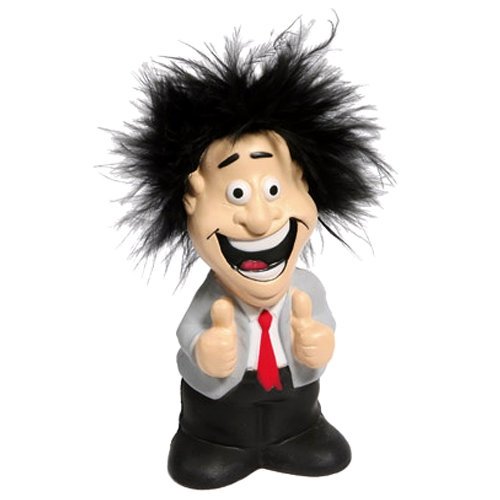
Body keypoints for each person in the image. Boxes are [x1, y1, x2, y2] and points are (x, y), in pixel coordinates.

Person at [112, 22, 390, 489]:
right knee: (203, 458)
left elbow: (323, 325)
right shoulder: (213, 296)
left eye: (275, 190)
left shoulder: (308, 289)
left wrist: (318, 342)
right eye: (236, 194)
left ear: (305, 188)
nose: (260, 221)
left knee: (320, 445)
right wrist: (204, 349)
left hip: (294, 407)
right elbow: (188, 330)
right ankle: (211, 443)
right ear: (192, 202)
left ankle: (297, 435)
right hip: (219, 417)